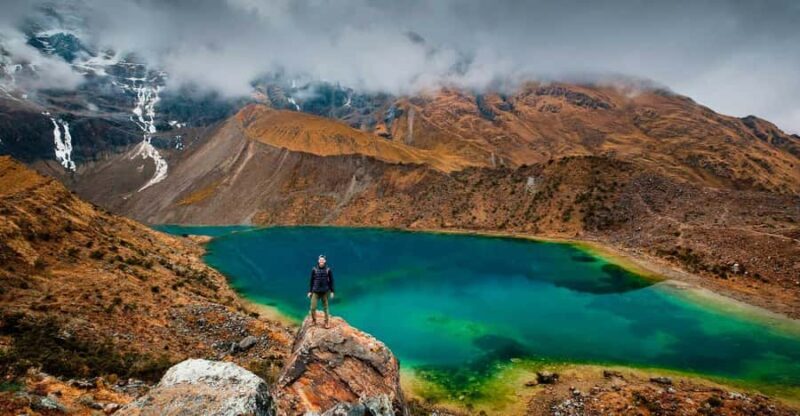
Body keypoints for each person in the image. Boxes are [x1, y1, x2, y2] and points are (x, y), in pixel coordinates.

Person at [308, 254, 334, 327]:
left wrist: (332, 291)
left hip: (324, 292)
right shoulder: (314, 270)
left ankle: (326, 322)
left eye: (323, 260)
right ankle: (314, 321)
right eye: (320, 260)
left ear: (325, 261)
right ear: (318, 261)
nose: (321, 261)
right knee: (312, 307)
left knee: (325, 308)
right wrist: (310, 291)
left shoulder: (328, 270)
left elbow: (331, 281)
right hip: (315, 291)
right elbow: (311, 281)